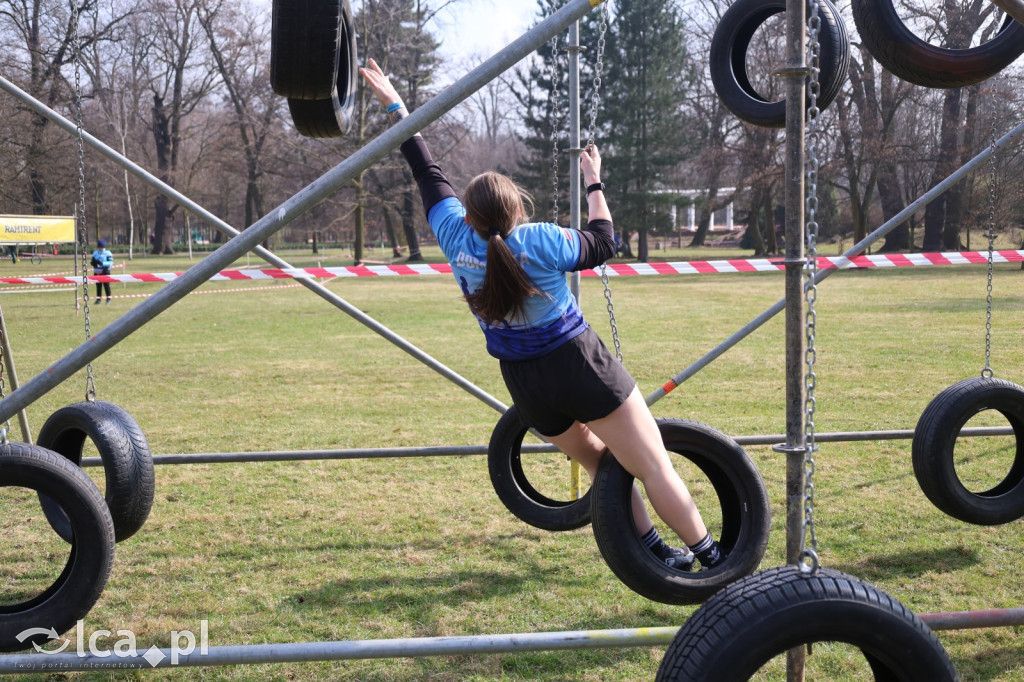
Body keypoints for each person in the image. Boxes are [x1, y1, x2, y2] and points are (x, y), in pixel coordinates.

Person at [359, 59, 725, 570]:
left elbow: (425, 168)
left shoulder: (453, 236)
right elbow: (603, 243)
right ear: (517, 210)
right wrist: (594, 180)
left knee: (601, 463)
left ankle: (657, 554)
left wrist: (395, 104)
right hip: (579, 364)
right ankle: (714, 560)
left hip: (525, 384)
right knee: (653, 465)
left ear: (468, 217)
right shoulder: (540, 240)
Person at [91, 239, 114, 304]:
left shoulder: (108, 253)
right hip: (97, 271)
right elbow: (92, 261)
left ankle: (108, 299)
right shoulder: (95, 253)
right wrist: (93, 263)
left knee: (106, 285)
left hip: (105, 271)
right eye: (100, 247)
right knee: (98, 286)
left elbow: (111, 262)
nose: (101, 248)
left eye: (102, 247)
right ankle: (98, 300)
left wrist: (102, 263)